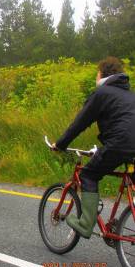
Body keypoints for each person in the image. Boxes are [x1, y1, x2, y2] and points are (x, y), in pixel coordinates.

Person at [52, 57, 135, 239]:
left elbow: (79, 124)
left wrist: (60, 144)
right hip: (129, 146)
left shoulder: (102, 93)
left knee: (88, 175)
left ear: (103, 74)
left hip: (118, 144)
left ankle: (85, 224)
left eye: (96, 74)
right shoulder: (131, 95)